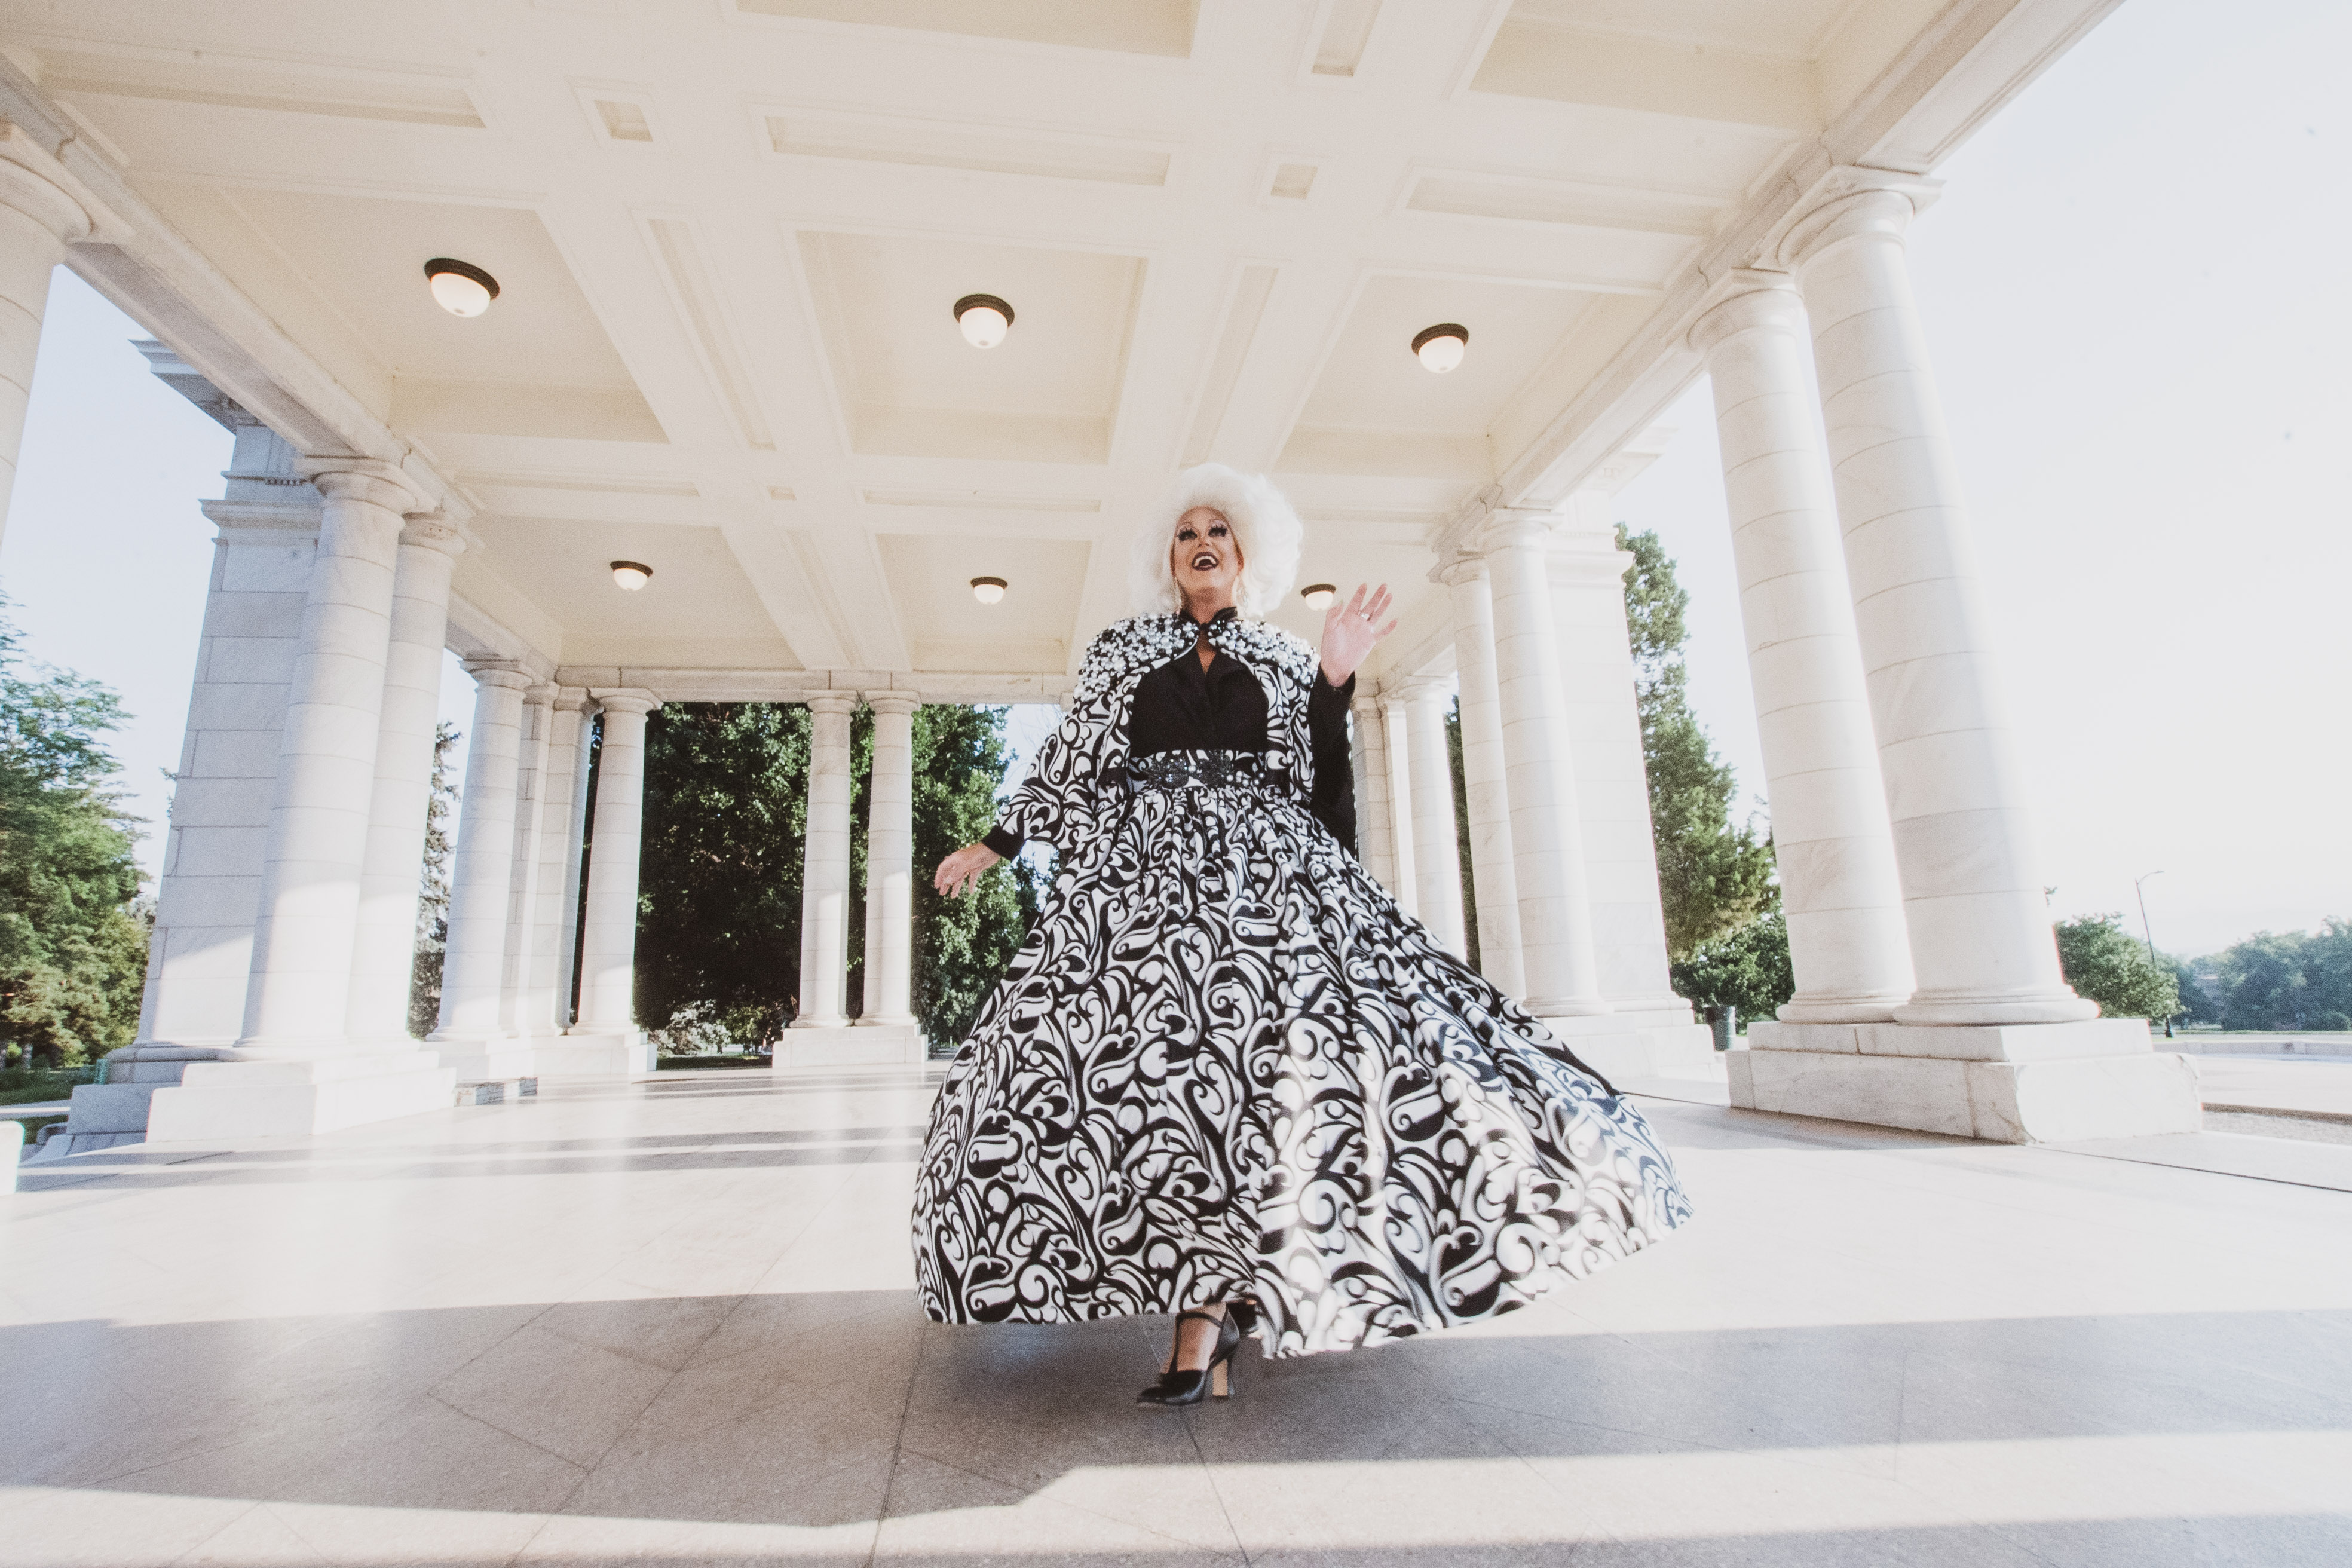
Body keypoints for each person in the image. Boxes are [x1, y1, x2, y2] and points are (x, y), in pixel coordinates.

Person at [912, 463, 1689, 1405]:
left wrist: (1335, 676)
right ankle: (1204, 1311)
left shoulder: (1284, 654)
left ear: (1247, 553)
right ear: (1167, 555)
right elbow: (1072, 759)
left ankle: (1218, 1314)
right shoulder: (1121, 649)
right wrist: (991, 846)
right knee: (1160, 1087)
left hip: (1265, 883)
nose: (1203, 542)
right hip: (1148, 889)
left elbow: (1322, 778)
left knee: (1253, 1085)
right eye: (1187, 531)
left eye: (1220, 531)